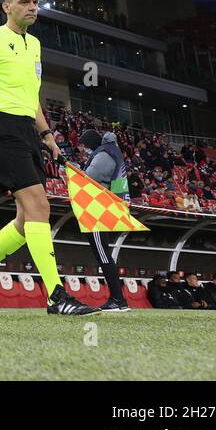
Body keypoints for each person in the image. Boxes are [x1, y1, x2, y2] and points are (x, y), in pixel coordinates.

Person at [0, 0, 94, 316]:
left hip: (26, 131)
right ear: (6, 6)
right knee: (39, 205)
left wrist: (47, 135)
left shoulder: (34, 44)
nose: (32, 7)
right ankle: (56, 295)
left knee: (26, 217)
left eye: (35, 3)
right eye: (24, 2)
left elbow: (31, 98)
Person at [78, 129, 130, 312]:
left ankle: (118, 299)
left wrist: (72, 170)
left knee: (102, 254)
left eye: (84, 144)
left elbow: (88, 179)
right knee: (103, 253)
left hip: (97, 209)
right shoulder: (110, 151)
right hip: (103, 206)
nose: (83, 149)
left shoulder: (103, 154)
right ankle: (118, 299)